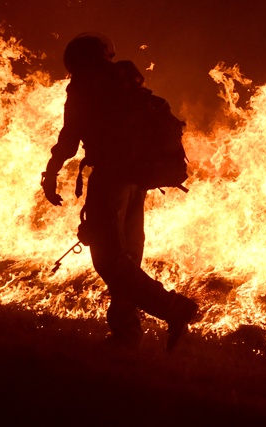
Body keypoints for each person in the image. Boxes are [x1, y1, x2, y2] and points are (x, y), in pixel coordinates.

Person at [41, 33, 198, 350]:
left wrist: (52, 171)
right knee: (126, 259)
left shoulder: (85, 84)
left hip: (111, 180)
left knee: (110, 261)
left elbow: (70, 136)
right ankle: (126, 334)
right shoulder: (127, 83)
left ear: (78, 60)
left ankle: (172, 308)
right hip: (135, 182)